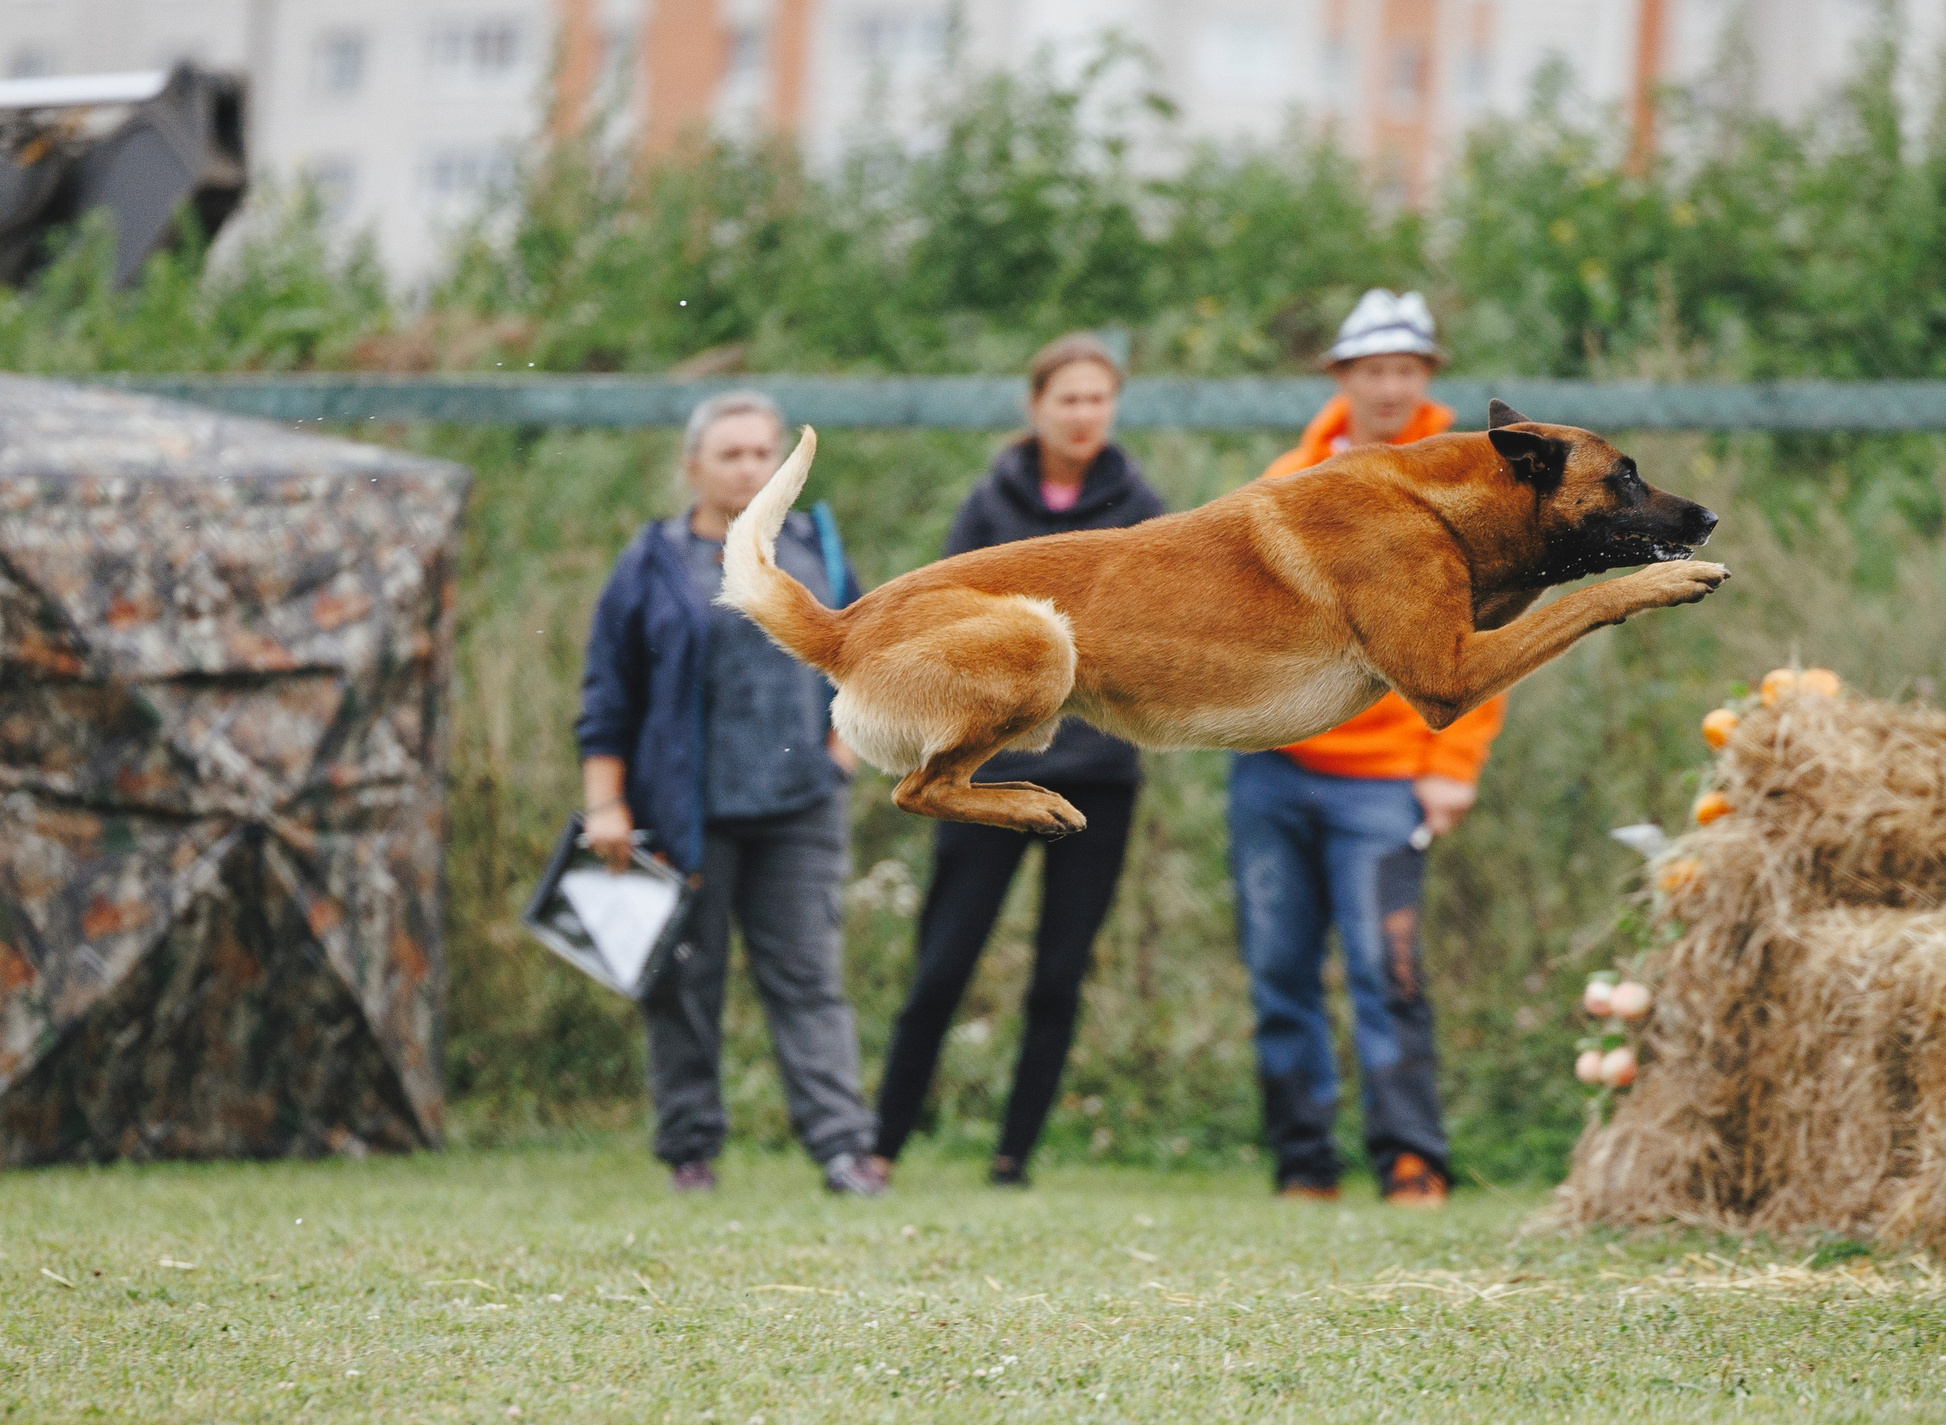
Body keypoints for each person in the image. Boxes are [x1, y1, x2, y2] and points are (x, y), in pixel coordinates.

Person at [869, 334, 1166, 1188]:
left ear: (1112, 407)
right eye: (1067, 398)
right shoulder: (989, 507)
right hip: (987, 774)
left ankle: (1012, 1159)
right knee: (942, 964)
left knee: (1057, 977)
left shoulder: (1140, 507)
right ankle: (881, 1147)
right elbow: (942, 620)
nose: (1083, 413)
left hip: (1097, 780)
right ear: (1035, 406)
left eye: (1097, 398)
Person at [1228, 289, 1502, 1208]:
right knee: (1279, 970)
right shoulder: (1290, 478)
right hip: (1272, 770)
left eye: (1405, 369)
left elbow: (1488, 640)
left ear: (1426, 378)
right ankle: (1304, 1163)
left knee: (1388, 974)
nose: (1388, 386)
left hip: (1387, 780)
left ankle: (1412, 1161)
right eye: (1371, 370)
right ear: (1343, 379)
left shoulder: (1469, 484)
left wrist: (1451, 767)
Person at [575, 390, 885, 1196]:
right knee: (683, 982)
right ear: (693, 466)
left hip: (799, 808)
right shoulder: (652, 563)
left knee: (809, 981)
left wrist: (841, 754)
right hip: (685, 811)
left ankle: (844, 1150)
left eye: (761, 453)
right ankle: (691, 1153)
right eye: (731, 454)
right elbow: (608, 694)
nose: (750, 467)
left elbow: (868, 653)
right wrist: (606, 804)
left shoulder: (817, 546)